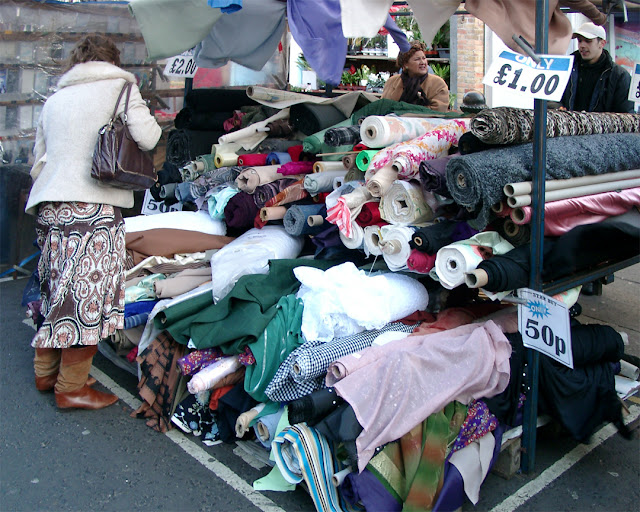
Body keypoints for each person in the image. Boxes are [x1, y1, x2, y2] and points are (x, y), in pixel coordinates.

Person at [24, 34, 162, 409]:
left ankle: (45, 371)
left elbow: (39, 158)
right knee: (88, 297)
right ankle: (71, 387)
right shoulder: (121, 86)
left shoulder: (54, 99)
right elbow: (149, 138)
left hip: (52, 207)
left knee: (57, 289)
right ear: (112, 59)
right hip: (93, 208)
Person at [560, 22, 634, 113]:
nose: (582, 45)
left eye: (588, 41)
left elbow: (625, 115)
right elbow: (551, 100)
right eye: (579, 40)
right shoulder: (566, 68)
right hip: (569, 126)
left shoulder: (619, 76)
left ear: (602, 43)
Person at [380, 41, 450, 112]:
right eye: (417, 59)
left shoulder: (437, 83)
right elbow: (383, 107)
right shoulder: (392, 82)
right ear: (405, 64)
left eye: (424, 58)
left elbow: (438, 111)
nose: (423, 62)